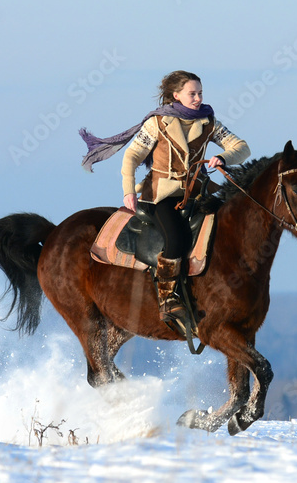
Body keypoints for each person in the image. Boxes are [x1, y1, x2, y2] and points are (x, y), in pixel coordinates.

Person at [79, 70, 250, 315]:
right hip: (161, 195)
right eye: (192, 94)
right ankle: (167, 297)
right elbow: (132, 156)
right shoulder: (157, 122)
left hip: (198, 192)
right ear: (176, 95)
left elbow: (242, 147)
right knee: (177, 238)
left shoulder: (209, 122)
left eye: (200, 93)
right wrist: (129, 190)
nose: (198, 98)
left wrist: (223, 157)